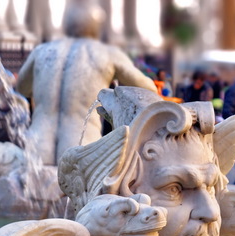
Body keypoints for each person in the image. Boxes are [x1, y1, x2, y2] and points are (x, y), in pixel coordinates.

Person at [16, 4, 157, 165]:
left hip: (37, 147)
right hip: (81, 149)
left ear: (67, 24)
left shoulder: (42, 51)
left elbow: (22, 88)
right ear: (97, 27)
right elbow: (148, 90)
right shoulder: (107, 54)